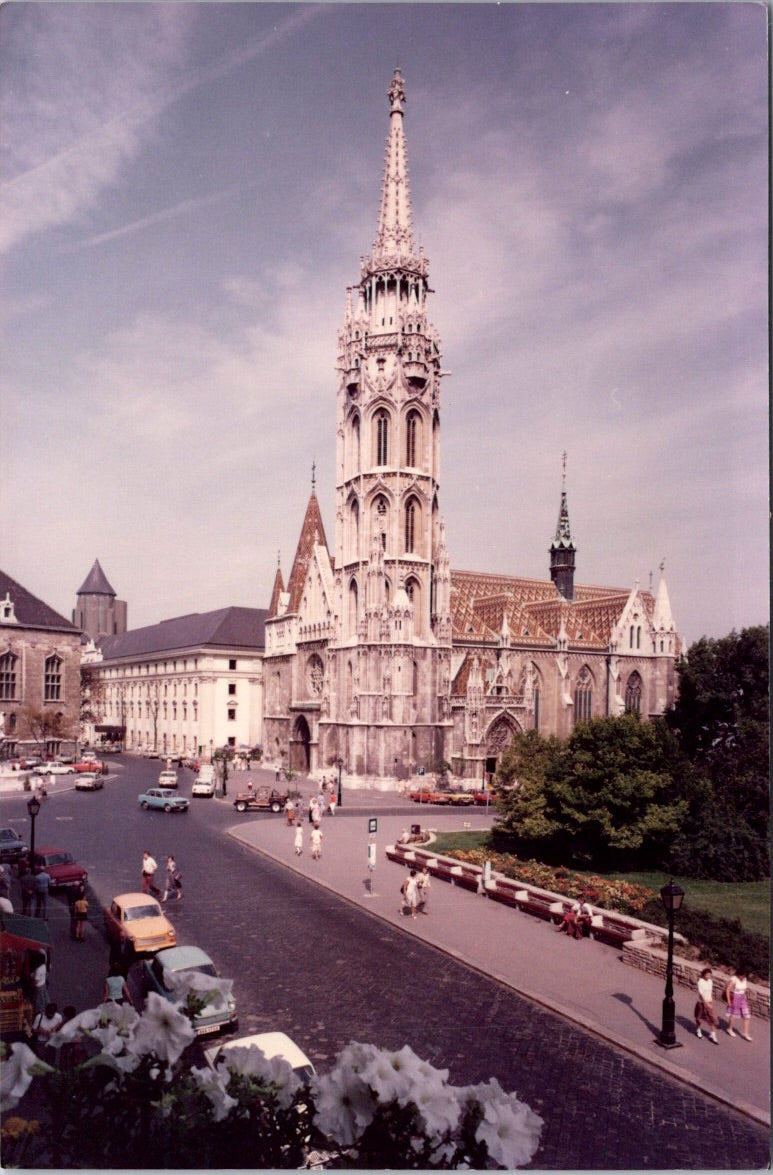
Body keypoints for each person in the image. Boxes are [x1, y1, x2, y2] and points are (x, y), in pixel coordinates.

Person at [724, 967, 753, 1041]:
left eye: (745, 976)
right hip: (735, 997)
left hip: (743, 998)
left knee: (747, 1016)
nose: (743, 977)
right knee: (733, 1014)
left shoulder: (744, 979)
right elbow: (728, 990)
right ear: (739, 974)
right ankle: (729, 1029)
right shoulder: (734, 979)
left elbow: (745, 989)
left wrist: (746, 997)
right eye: (742, 976)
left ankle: (745, 1033)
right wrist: (729, 1001)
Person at [694, 967, 719, 1043]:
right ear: (703, 975)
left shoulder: (710, 982)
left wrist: (712, 1002)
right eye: (707, 975)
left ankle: (713, 1035)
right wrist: (706, 1004)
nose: (708, 976)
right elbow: (701, 995)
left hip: (709, 1002)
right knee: (699, 1019)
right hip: (701, 1003)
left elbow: (710, 992)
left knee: (714, 1019)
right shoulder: (700, 982)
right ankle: (698, 1030)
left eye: (710, 975)